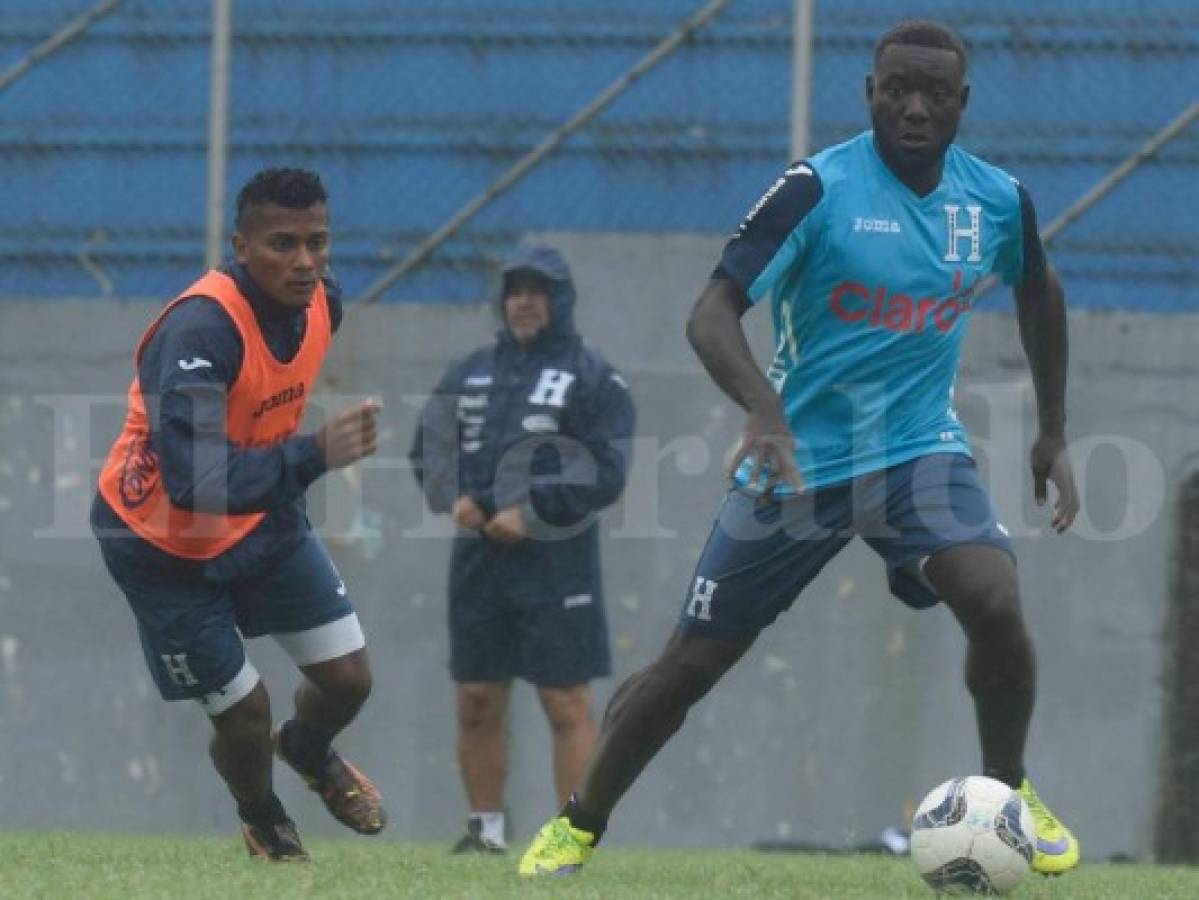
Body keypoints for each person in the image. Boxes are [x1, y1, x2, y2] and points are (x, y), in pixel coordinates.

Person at [520, 20, 1081, 877]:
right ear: (869, 91)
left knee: (996, 602)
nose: (915, 107)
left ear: (962, 103)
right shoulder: (815, 189)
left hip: (916, 454)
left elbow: (1038, 289)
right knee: (690, 665)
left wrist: (1051, 428)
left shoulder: (995, 199)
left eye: (935, 93)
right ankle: (579, 822)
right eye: (897, 88)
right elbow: (710, 312)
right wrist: (763, 411)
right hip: (798, 464)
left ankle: (1007, 797)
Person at [92, 168, 386, 861]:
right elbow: (195, 482)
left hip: (259, 517)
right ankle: (264, 819)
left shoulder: (322, 300)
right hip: (162, 544)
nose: (305, 262)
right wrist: (313, 455)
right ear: (240, 247)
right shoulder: (201, 329)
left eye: (317, 243)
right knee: (246, 713)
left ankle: (309, 749)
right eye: (282, 244)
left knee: (348, 680)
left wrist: (296, 462)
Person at [410, 242, 635, 854]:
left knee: (566, 702)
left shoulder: (593, 376)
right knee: (476, 699)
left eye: (537, 290)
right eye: (514, 289)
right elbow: (427, 446)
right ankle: (484, 834)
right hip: (479, 560)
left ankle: (571, 840)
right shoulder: (469, 372)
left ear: (560, 300)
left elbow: (608, 471)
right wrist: (451, 495)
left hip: (557, 561)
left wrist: (533, 511)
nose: (524, 301)